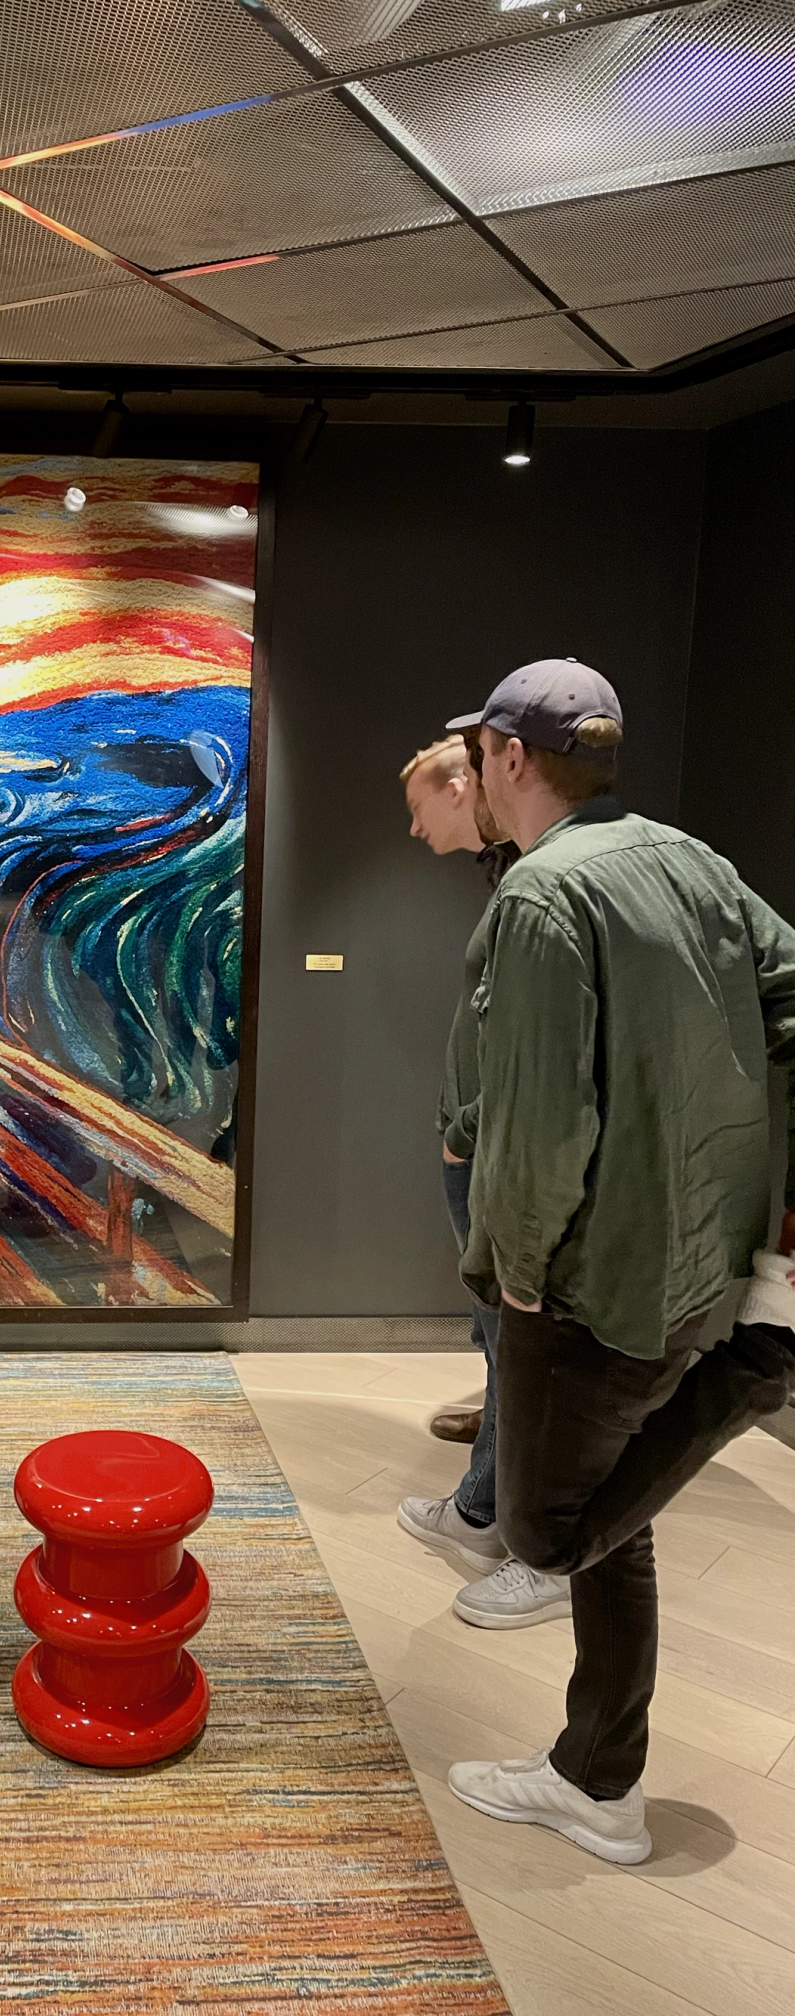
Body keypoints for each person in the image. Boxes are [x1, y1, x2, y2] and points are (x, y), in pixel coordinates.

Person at [437, 658, 795, 1864]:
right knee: (617, 1521)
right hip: (704, 1252)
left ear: (510, 758)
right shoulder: (691, 859)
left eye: (480, 755)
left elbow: (542, 1129)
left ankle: (754, 1377)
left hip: (596, 1280)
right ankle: (597, 1780)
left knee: (546, 1536)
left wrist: (513, 1269)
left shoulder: (543, 897)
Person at [396, 737, 571, 1628]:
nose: (414, 829)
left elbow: (529, 1043)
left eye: (419, 807)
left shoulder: (548, 883)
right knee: (499, 1333)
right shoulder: (513, 874)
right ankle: (488, 1495)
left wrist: (466, 1134)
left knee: (517, 1338)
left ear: (472, 780)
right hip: (485, 1147)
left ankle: (497, 1517)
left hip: (501, 1156)